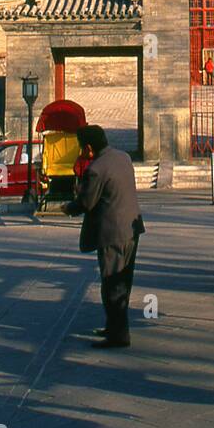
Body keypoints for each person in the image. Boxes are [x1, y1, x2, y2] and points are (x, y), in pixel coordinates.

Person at [63, 125, 146, 349]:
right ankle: (114, 325)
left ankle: (119, 335)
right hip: (131, 230)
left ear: (88, 148)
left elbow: (85, 203)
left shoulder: (96, 168)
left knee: (112, 284)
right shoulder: (123, 157)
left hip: (112, 233)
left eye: (82, 148)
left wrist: (67, 207)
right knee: (123, 280)